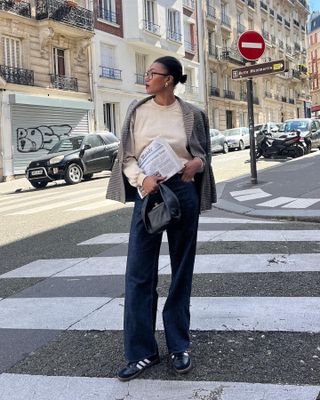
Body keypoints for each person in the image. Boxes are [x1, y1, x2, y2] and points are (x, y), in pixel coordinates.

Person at [106, 56, 216, 381]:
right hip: (149, 192)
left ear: (168, 79)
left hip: (182, 190)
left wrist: (197, 164)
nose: (146, 77)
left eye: (152, 73)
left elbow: (203, 153)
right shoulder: (137, 111)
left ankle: (179, 345)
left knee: (182, 271)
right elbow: (125, 156)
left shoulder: (192, 114)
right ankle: (142, 352)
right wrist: (142, 179)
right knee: (139, 274)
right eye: (148, 73)